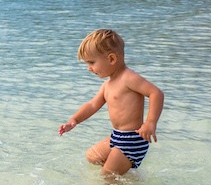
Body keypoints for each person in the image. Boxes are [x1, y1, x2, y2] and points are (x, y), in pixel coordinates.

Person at [58, 29, 164, 176]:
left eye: (92, 62)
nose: (89, 68)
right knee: (92, 156)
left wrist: (150, 123)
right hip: (118, 136)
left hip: (132, 139)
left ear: (111, 59)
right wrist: (74, 120)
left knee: (107, 176)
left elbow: (156, 93)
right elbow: (92, 105)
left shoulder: (129, 78)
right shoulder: (107, 85)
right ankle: (126, 175)